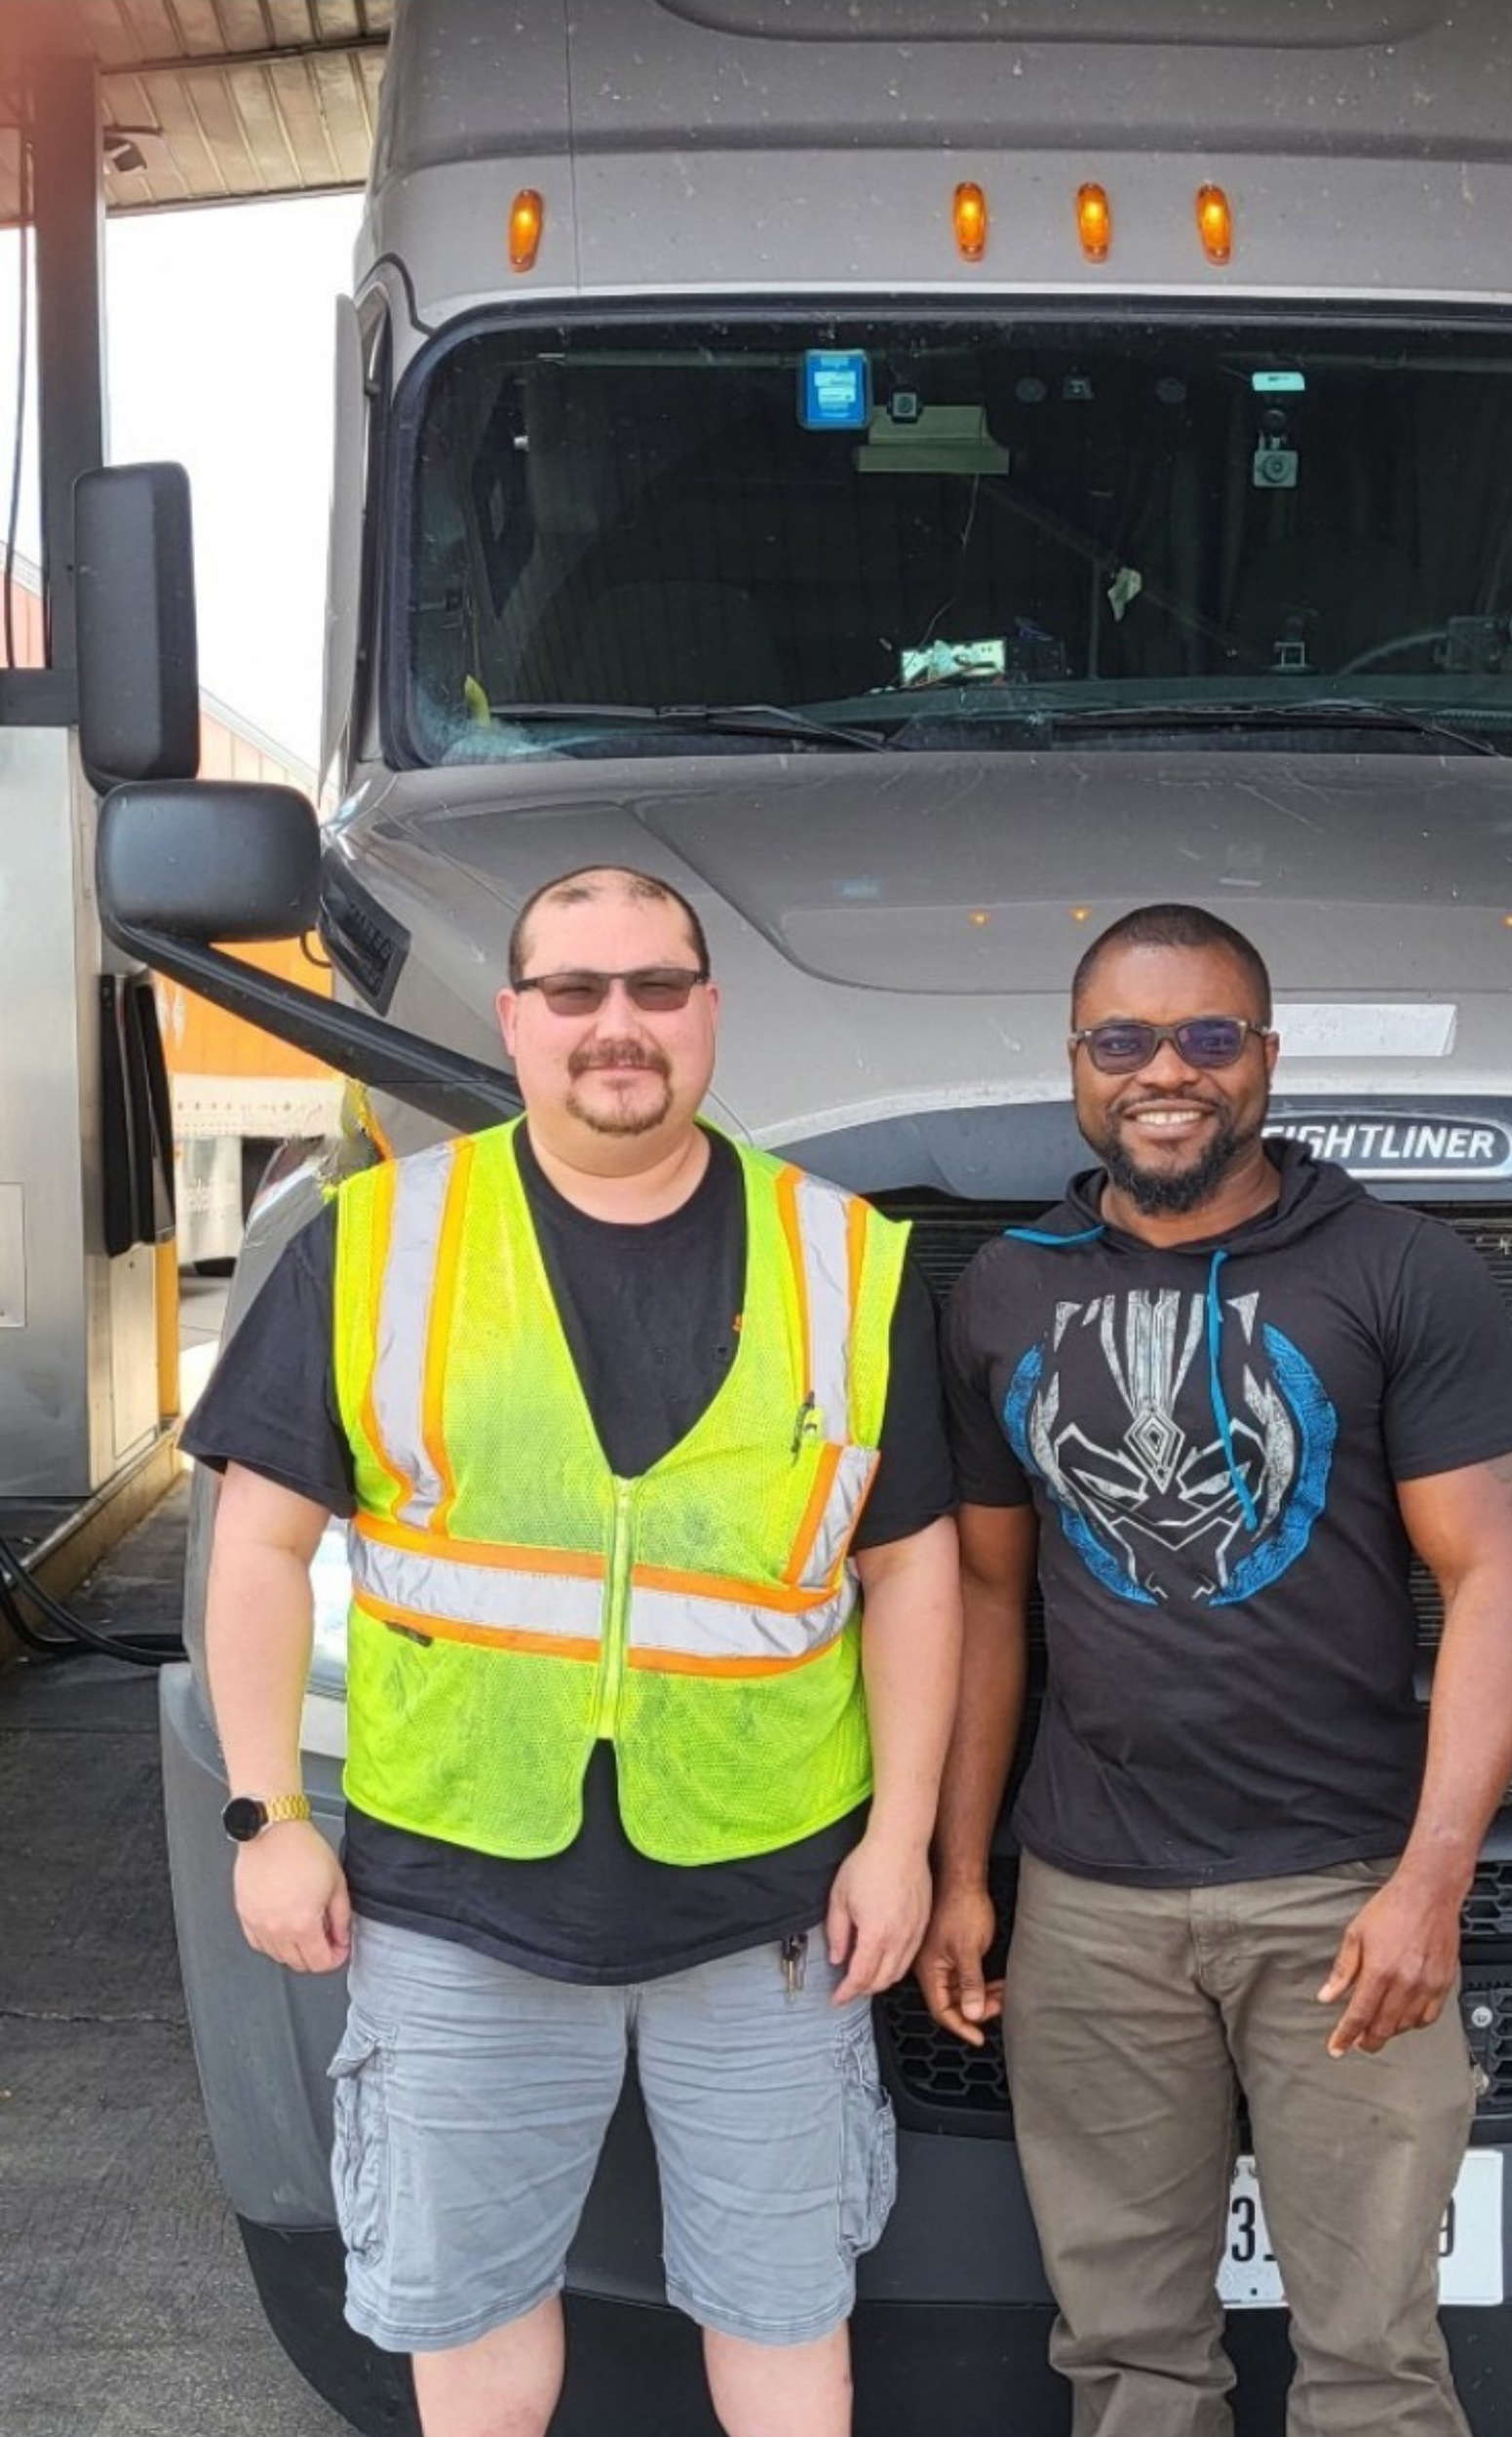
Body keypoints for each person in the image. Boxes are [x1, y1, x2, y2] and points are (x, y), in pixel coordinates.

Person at [180, 864, 960, 2437]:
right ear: (518, 1018)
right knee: (474, 2332)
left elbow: (915, 1569)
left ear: (709, 1012)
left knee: (787, 2316)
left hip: (772, 1912)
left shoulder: (850, 1259)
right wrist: (267, 1820)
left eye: (658, 988)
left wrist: (902, 1845)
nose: (622, 1026)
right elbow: (259, 1549)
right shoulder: (380, 1239)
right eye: (578, 992)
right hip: (461, 1894)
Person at [918, 901, 1512, 2437]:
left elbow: (1494, 1577)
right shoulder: (1003, 1290)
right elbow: (989, 1603)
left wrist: (1429, 1884)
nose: (1167, 1072)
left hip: (1337, 1897)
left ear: (1266, 1057)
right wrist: (960, 1872)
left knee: (1375, 2367)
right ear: (1077, 1064)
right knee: (1127, 2364)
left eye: (1209, 1036)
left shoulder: (1400, 1269)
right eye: (1125, 1040)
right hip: (1092, 1905)